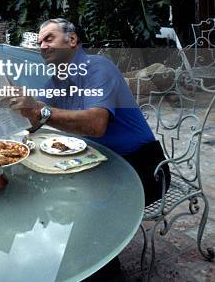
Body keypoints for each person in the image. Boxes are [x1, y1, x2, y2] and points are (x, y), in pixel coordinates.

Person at [10, 18, 171, 280]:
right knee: (47, 191)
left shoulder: (98, 68)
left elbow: (96, 125)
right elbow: (37, 117)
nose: (42, 46)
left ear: (72, 40)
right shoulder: (57, 79)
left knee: (81, 211)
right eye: (39, 42)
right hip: (100, 163)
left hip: (144, 168)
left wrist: (41, 110)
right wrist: (19, 105)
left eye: (49, 38)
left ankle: (97, 269)